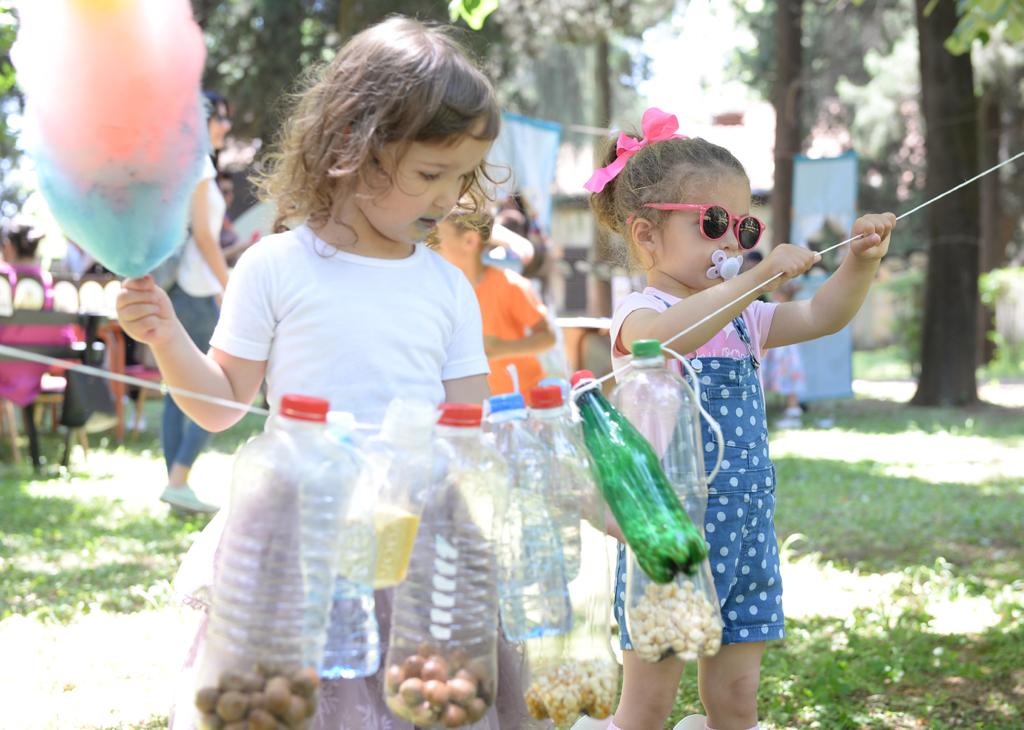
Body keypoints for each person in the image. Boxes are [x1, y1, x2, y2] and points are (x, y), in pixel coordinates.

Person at [116, 17, 536, 729]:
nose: (446, 199)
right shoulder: (276, 267)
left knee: (416, 699)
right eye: (431, 173)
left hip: (413, 533)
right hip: (297, 532)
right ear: (356, 148)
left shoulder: (444, 286)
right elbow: (220, 406)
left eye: (462, 177)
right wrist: (164, 339)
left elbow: (471, 427)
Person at [587, 107, 895, 730]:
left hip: (748, 531)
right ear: (646, 235)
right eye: (714, 223)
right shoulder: (640, 314)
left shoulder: (742, 317)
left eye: (743, 225)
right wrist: (754, 280)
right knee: (646, 706)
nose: (732, 243)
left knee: (736, 701)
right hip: (671, 541)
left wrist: (859, 262)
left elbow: (820, 317)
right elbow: (668, 340)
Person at [157, 90, 233, 514]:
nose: (225, 126)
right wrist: (230, 285)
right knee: (219, 391)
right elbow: (205, 237)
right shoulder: (199, 165)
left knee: (176, 392)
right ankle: (178, 480)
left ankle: (176, 487)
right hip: (198, 293)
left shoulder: (182, 166)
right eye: (219, 118)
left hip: (183, 291)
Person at [432, 200, 556, 401]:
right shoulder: (444, 293)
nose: (428, 244)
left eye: (435, 238)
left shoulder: (508, 285)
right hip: (481, 407)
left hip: (523, 404)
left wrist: (502, 348)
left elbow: (548, 338)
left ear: (470, 241)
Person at [0, 217, 77, 407]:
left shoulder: (3, 279)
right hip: (37, 373)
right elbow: (66, 339)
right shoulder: (50, 285)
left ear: (8, 246)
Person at [761, 281, 806, 429]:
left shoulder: (776, 307)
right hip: (783, 351)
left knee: (787, 381)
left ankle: (792, 413)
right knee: (786, 381)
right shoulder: (791, 307)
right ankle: (792, 411)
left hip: (782, 352)